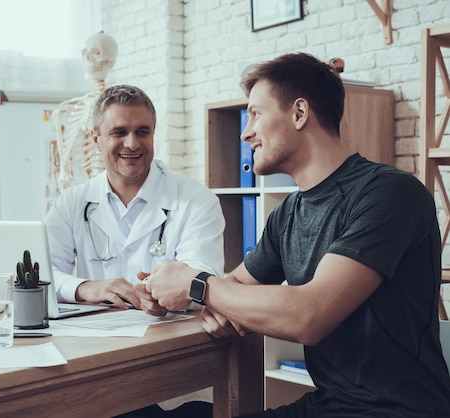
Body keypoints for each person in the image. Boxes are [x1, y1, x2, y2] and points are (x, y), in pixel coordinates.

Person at [136, 52, 450, 418]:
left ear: (299, 113)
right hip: (330, 404)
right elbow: (237, 283)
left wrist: (199, 286)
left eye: (256, 113)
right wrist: (191, 296)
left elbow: (309, 316)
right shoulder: (288, 212)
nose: (245, 131)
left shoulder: (389, 194)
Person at [44, 84, 225, 417]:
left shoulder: (196, 201)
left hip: (177, 376)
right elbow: (37, 276)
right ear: (96, 139)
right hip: (99, 367)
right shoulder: (72, 203)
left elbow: (203, 274)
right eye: (119, 132)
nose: (132, 143)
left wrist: (171, 294)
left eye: (143, 131)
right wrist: (86, 288)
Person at [48, 31, 118, 202]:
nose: (89, 59)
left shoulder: (117, 107)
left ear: (109, 60)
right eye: (84, 54)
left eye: (97, 53)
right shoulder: (75, 107)